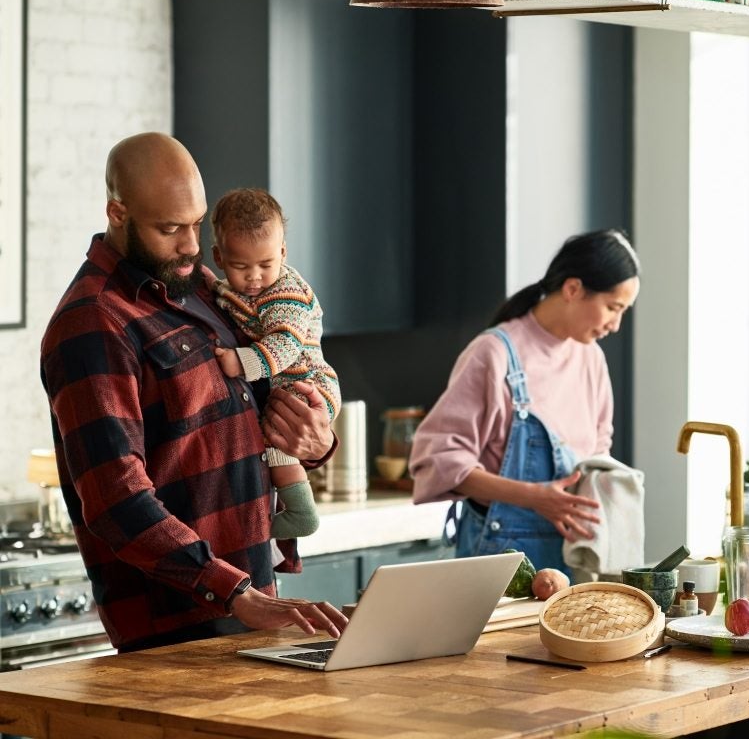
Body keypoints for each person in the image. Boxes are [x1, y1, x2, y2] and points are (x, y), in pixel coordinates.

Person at [39, 132, 348, 652]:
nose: (190, 245)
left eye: (197, 225)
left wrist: (315, 441)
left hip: (252, 601)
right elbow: (116, 500)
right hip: (177, 625)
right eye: (169, 228)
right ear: (117, 212)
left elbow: (259, 402)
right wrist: (233, 591)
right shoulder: (93, 323)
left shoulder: (201, 287)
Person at [409, 229, 641, 576]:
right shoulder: (495, 354)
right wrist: (534, 496)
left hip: (569, 565)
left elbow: (598, 452)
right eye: (612, 307)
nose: (616, 324)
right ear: (573, 289)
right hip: (497, 563)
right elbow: (437, 462)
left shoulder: (591, 359)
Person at [210, 187, 341, 540]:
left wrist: (240, 363)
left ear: (282, 253)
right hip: (285, 384)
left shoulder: (285, 293)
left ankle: (301, 513)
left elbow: (285, 344)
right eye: (241, 266)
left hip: (308, 383)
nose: (255, 276)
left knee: (278, 438)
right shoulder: (229, 289)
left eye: (266, 264)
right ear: (219, 258)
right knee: (274, 438)